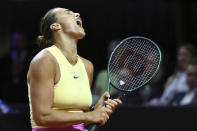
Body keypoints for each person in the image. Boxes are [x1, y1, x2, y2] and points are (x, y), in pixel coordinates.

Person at [27, 7, 122, 131]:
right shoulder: (45, 60)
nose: (77, 14)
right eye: (68, 13)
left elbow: (78, 118)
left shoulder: (87, 66)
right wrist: (88, 116)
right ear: (55, 26)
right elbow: (42, 116)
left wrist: (97, 110)